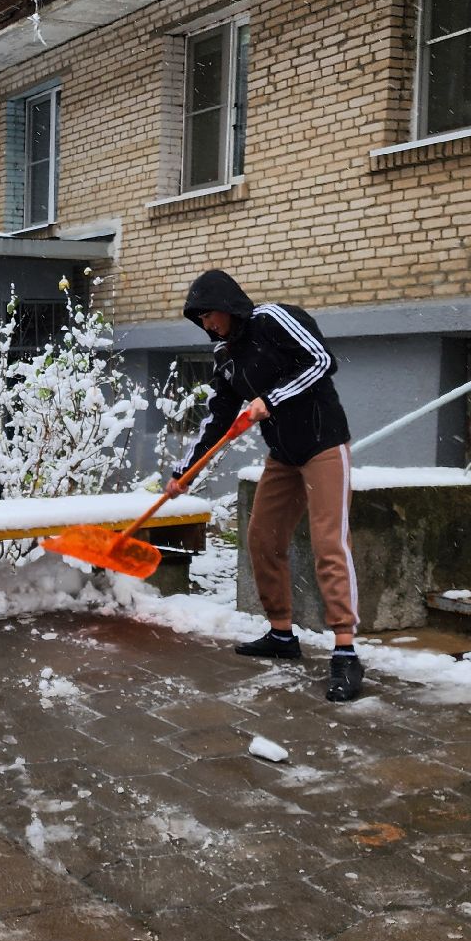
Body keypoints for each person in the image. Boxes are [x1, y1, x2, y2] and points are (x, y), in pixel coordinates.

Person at [164, 269, 363, 701]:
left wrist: (270, 399)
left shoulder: (274, 320)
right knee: (262, 538)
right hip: (283, 455)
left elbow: (322, 361)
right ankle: (281, 634)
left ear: (228, 304)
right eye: (198, 319)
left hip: (324, 443)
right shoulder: (226, 353)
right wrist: (186, 471)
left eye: (209, 315)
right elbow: (218, 418)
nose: (206, 325)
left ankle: (345, 651)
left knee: (330, 544)